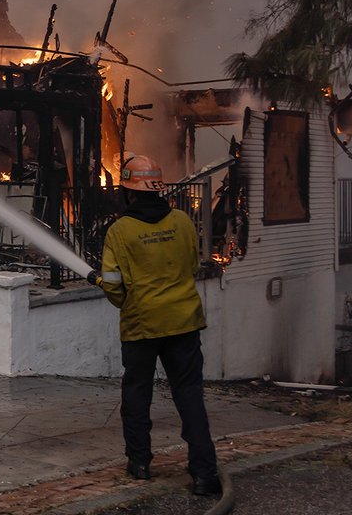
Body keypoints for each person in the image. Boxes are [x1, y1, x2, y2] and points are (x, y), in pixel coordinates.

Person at [88, 154, 221, 497]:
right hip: (184, 321)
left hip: (142, 325)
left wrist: (115, 294)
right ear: (156, 188)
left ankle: (140, 463)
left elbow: (115, 286)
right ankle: (205, 474)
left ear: (128, 192)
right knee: (190, 396)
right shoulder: (182, 221)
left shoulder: (119, 231)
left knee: (137, 394)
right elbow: (192, 266)